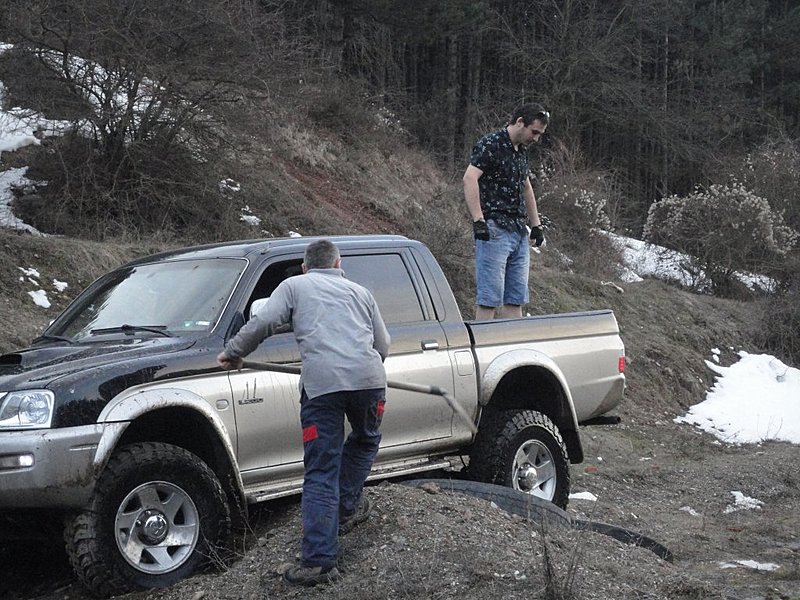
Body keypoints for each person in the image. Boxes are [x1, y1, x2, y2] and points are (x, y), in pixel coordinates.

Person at [216, 239, 390, 587]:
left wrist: (233, 351)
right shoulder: (360, 292)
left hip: (322, 386)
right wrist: (359, 371)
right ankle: (346, 507)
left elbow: (264, 322)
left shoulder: (295, 286)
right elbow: (382, 345)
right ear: (339, 264)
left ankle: (319, 561)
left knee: (321, 470)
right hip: (371, 381)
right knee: (366, 439)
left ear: (306, 267)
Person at [463, 102, 549, 320]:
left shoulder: (522, 151)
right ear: (520, 122)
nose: (536, 138)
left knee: (515, 298)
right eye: (534, 132)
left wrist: (536, 225)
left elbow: (526, 185)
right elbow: (470, 177)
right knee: (489, 299)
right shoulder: (490, 144)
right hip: (494, 230)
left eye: (540, 134)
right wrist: (478, 219)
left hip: (519, 231)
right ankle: (482, 349)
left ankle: (513, 349)